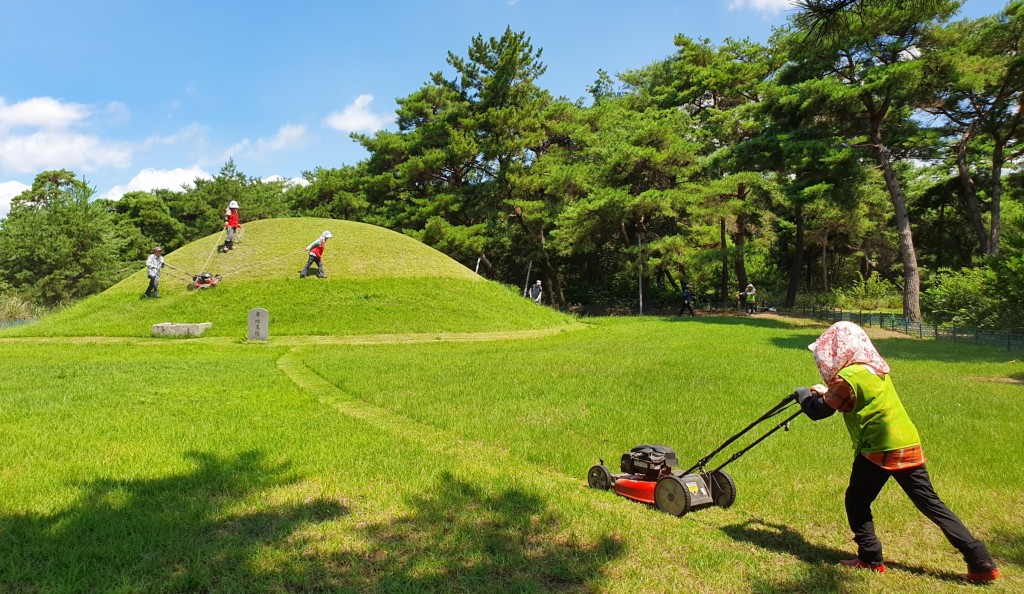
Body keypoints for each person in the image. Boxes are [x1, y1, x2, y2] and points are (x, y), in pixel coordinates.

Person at [794, 321, 1000, 583]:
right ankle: (980, 560)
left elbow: (819, 411)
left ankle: (870, 559)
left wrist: (803, 396)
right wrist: (826, 393)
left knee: (857, 501)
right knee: (931, 504)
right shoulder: (874, 369)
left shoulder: (848, 378)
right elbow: (848, 399)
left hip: (879, 448)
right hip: (907, 443)